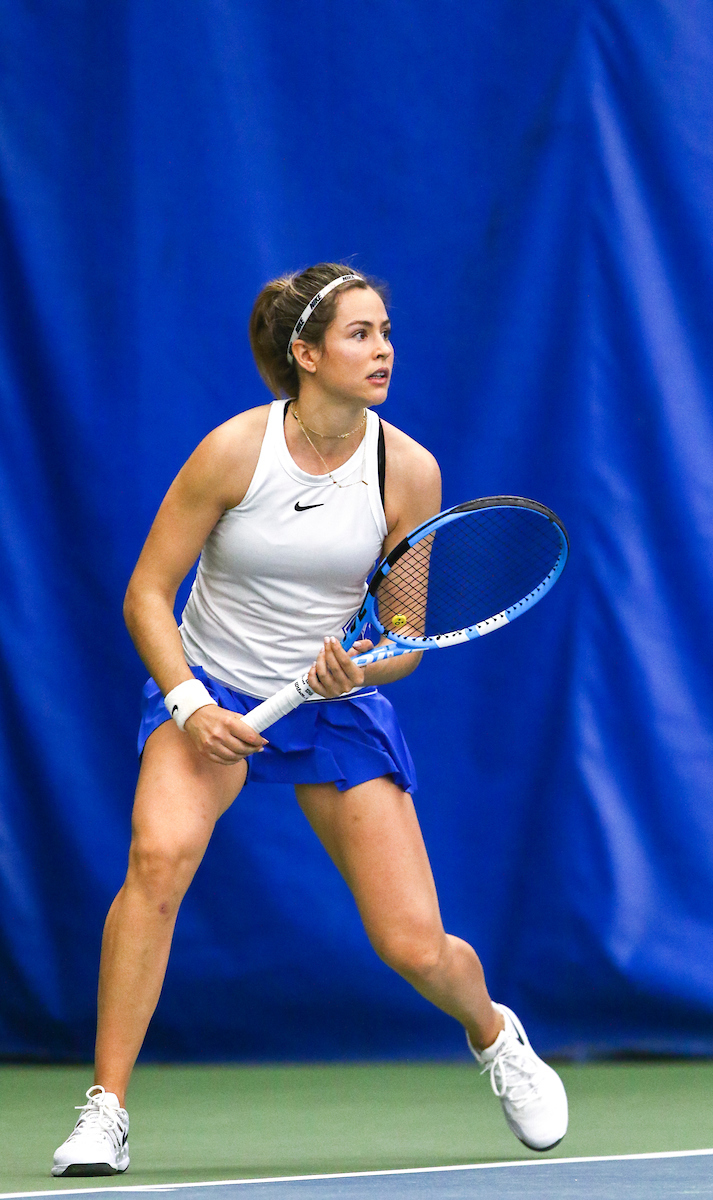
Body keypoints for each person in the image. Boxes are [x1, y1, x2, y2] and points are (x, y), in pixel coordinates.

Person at [51, 264, 568, 1177]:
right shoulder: (232, 453)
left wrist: (358, 664)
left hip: (335, 708)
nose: (384, 351)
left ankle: (494, 1036)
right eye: (361, 334)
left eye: (386, 332)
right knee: (157, 863)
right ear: (305, 354)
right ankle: (105, 1109)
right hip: (209, 687)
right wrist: (191, 703)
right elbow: (147, 594)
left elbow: (409, 640)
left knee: (412, 943)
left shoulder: (407, 469)